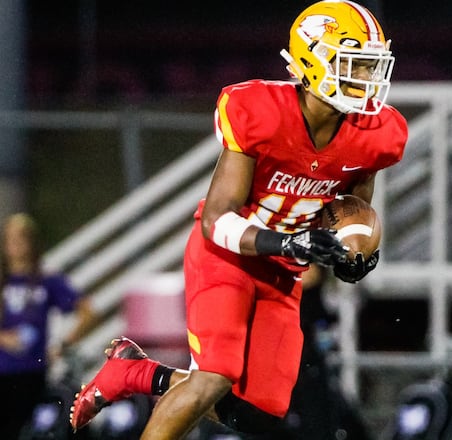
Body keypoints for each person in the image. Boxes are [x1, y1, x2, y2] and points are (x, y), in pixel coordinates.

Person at [70, 1, 408, 438]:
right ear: (312, 61)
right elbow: (216, 219)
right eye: (354, 65)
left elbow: (354, 206)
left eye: (369, 67)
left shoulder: (375, 136)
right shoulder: (260, 111)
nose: (365, 79)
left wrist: (355, 252)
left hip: (282, 272)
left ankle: (133, 374)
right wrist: (285, 243)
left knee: (261, 417)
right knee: (214, 375)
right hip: (227, 255)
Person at [0, 213, 93, 438]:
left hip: (31, 372)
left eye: (22, 237)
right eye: (10, 239)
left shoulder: (46, 281)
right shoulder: (4, 282)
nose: (16, 244)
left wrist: (62, 344)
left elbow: (88, 313)